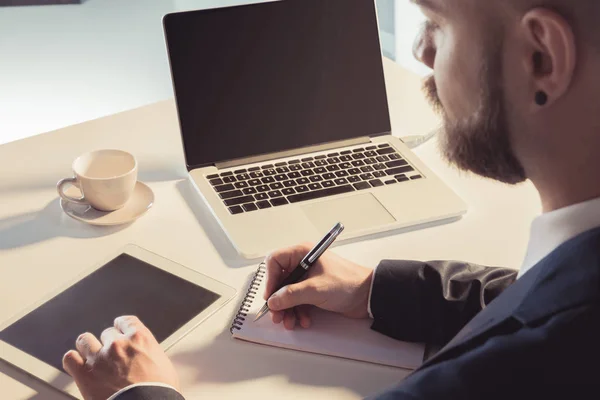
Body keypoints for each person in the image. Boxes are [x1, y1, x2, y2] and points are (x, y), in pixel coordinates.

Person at [62, 0, 600, 398]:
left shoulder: (517, 370)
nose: (421, 50)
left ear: (541, 59)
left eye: (437, 23)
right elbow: (531, 296)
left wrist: (142, 394)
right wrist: (374, 289)